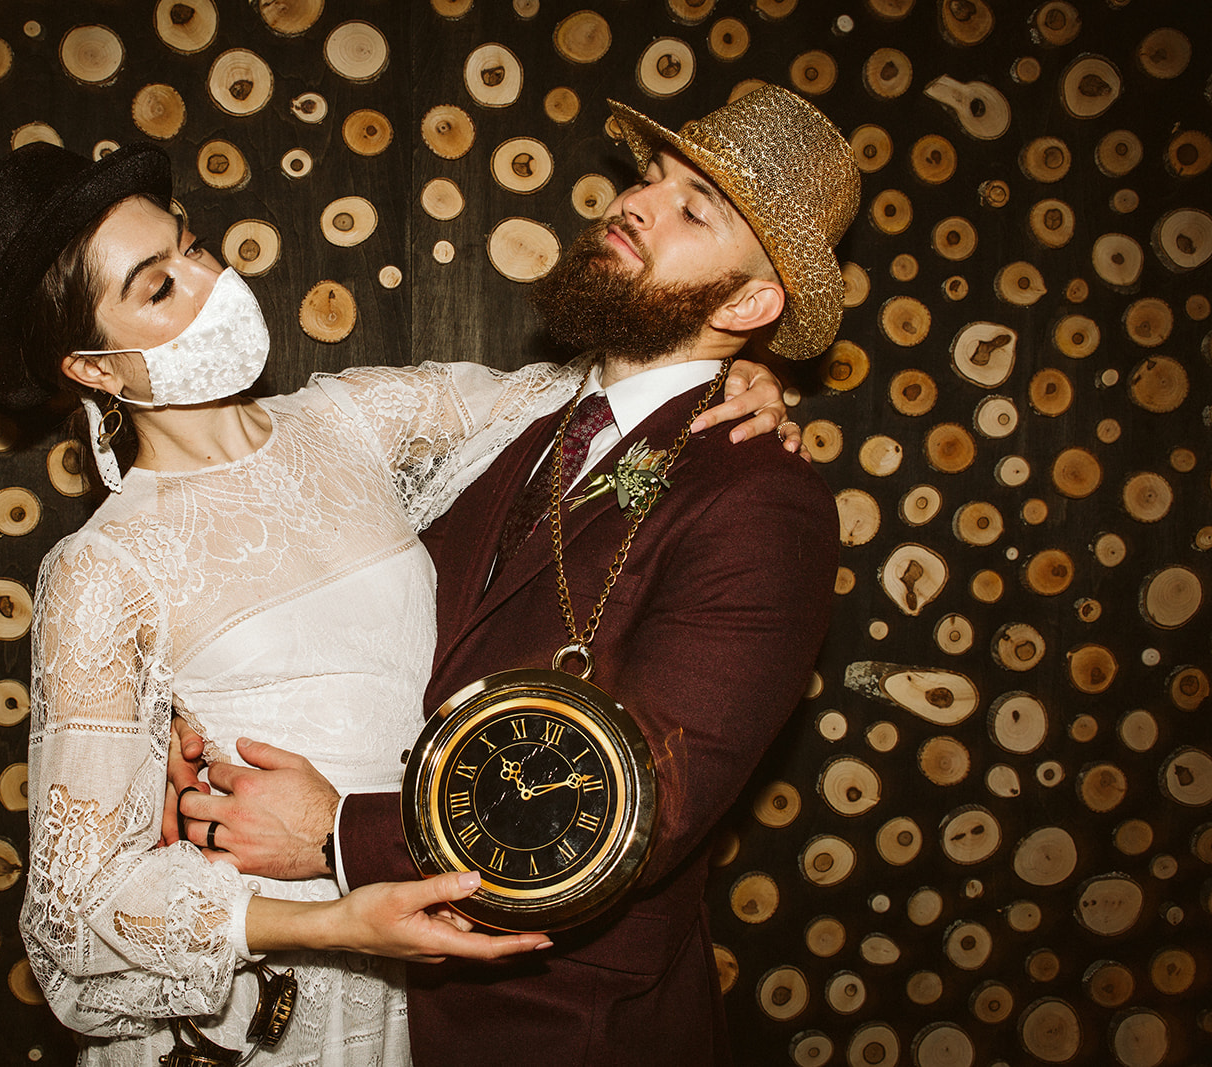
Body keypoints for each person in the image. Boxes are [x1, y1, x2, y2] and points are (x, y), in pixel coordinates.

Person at [0, 131, 797, 1064]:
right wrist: (330, 922)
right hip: (272, 993)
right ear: (95, 369)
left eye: (191, 245)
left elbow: (587, 401)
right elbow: (75, 923)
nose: (208, 281)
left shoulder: (357, 419)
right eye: (156, 287)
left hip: (434, 983)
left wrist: (732, 368)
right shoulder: (102, 567)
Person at [172, 85, 858, 1065]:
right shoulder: (519, 431)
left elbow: (634, 814)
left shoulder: (760, 500)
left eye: (693, 208)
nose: (637, 202)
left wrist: (336, 834)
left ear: (750, 302)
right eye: (649, 178)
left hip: (563, 1034)